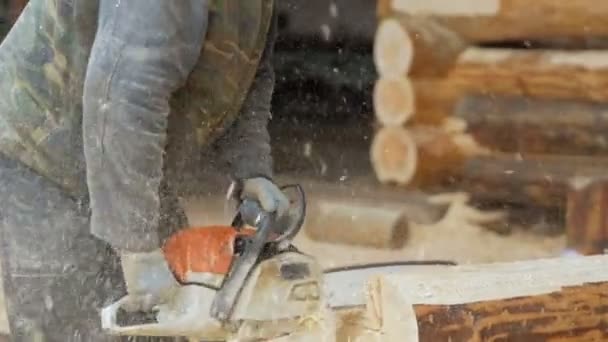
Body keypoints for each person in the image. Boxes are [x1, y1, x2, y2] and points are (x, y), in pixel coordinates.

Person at [0, 0, 287, 340]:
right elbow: (126, 97)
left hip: (126, 155)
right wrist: (135, 244)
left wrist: (252, 168)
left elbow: (250, 76)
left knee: (168, 315)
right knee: (70, 322)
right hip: (38, 147)